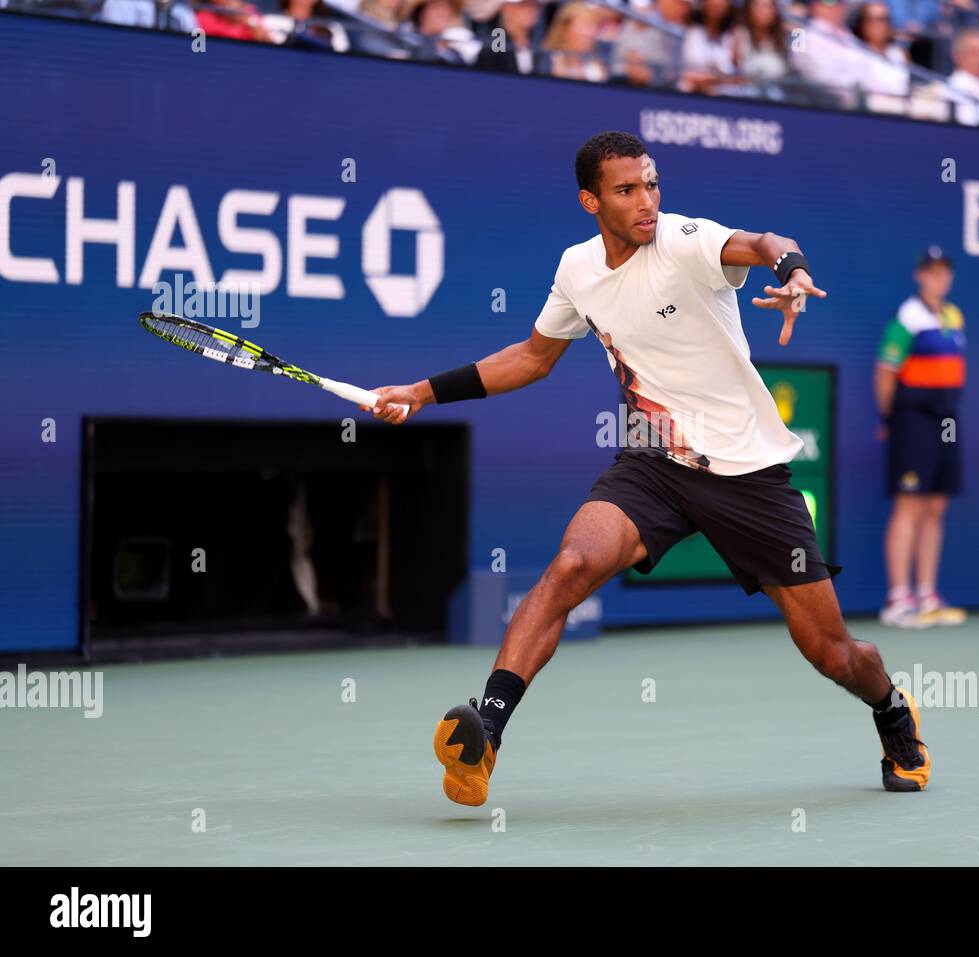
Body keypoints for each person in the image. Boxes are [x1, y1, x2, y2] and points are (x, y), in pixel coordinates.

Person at [366, 131, 932, 803]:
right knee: (572, 563)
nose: (647, 202)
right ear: (589, 200)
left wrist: (793, 271)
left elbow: (761, 242)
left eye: (652, 184)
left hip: (747, 475)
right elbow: (532, 356)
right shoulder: (577, 268)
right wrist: (422, 392)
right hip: (653, 463)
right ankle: (486, 734)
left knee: (831, 651)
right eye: (627, 190)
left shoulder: (686, 242)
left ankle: (892, 710)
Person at [875, 247, 967, 630]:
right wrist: (889, 417)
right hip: (912, 422)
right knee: (909, 506)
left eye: (944, 271)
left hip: (948, 421)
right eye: (931, 272)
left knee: (936, 508)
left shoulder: (954, 316)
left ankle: (927, 595)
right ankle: (898, 599)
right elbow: (885, 370)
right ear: (920, 276)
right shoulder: (907, 317)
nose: (938, 278)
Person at [473, 0, 541, 74]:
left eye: (535, 5)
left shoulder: (539, 44)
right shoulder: (497, 42)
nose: (531, 10)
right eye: (523, 5)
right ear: (506, 8)